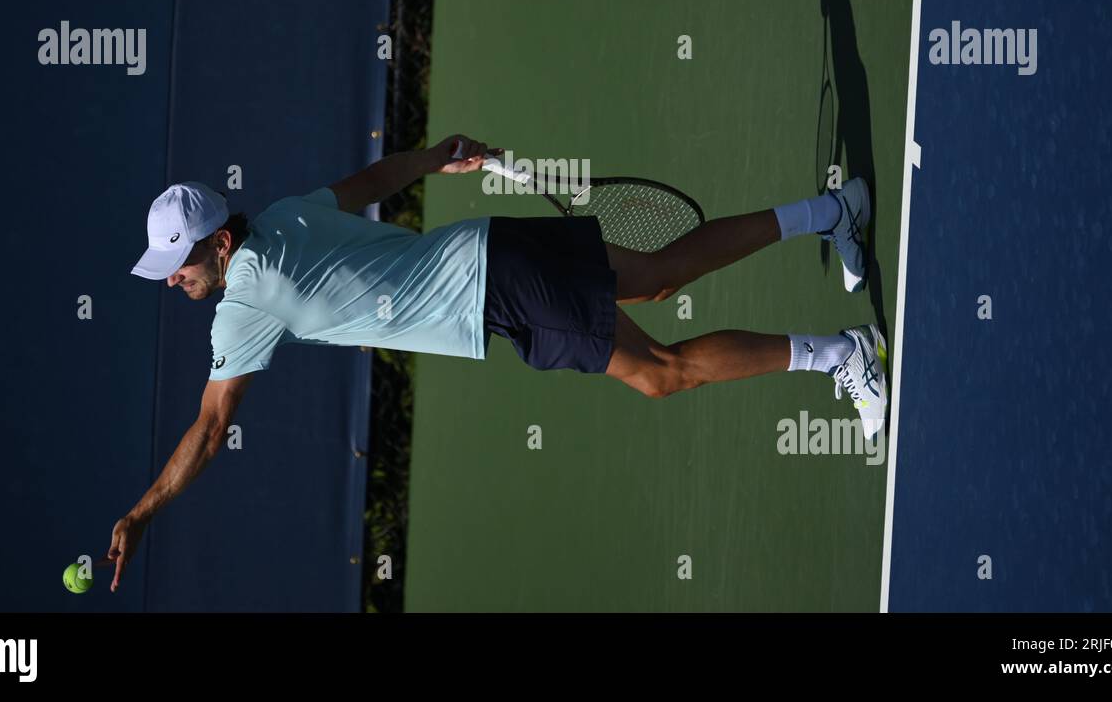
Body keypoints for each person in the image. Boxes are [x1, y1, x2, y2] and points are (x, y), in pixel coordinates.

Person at [107, 134, 886, 591]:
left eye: (177, 263)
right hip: (490, 251)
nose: (173, 280)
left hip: (494, 292)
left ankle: (843, 356)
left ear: (217, 242)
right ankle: (831, 212)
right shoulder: (281, 216)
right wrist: (437, 154)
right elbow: (369, 182)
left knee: (660, 374)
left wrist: (142, 514)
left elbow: (212, 428)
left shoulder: (247, 298)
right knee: (658, 277)